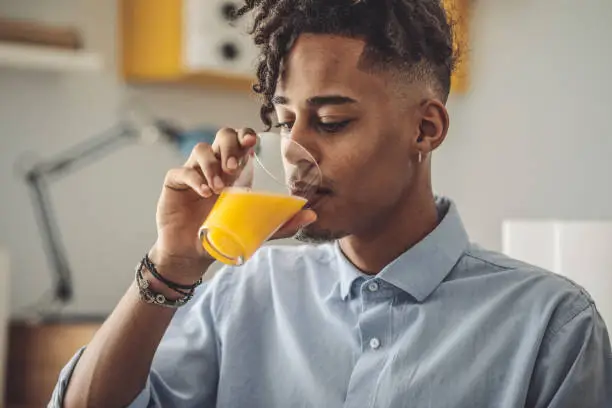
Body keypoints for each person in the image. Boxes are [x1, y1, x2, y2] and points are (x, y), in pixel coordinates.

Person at [51, 0, 612, 407]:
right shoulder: (240, 289)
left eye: (332, 122)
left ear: (426, 127)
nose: (295, 154)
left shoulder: (551, 325)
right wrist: (171, 262)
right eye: (285, 121)